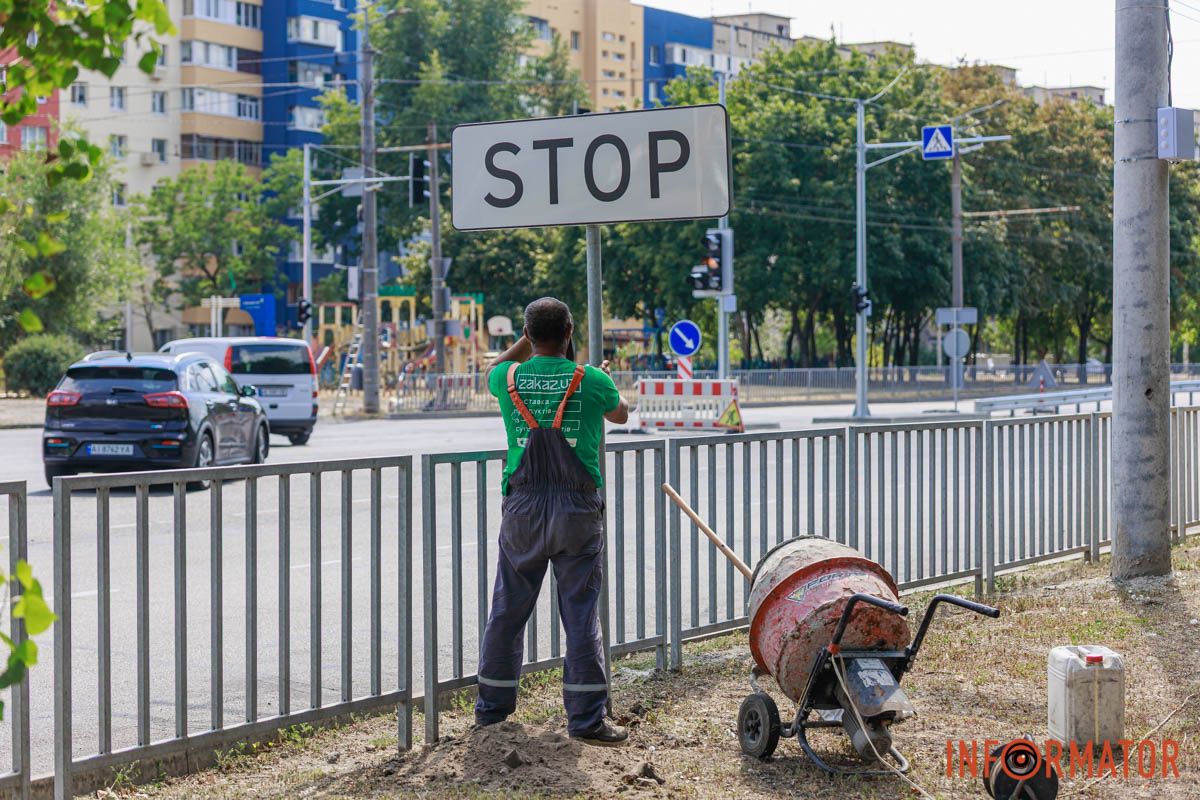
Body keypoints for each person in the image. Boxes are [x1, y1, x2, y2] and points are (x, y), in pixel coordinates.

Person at [474, 296, 630, 745]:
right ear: (569, 333)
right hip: (576, 512)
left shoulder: (509, 377)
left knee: (507, 611)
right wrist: (600, 379)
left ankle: (491, 713)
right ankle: (586, 720)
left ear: (527, 334)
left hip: (522, 511)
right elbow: (620, 413)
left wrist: (524, 343)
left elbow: (492, 369)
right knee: (580, 615)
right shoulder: (591, 379)